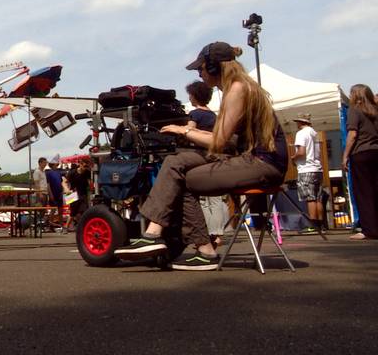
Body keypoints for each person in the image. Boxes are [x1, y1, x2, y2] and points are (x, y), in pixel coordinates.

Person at [115, 41, 288, 270]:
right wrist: (191, 132)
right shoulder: (239, 87)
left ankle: (192, 247)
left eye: (201, 68)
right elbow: (228, 139)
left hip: (262, 163)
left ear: (215, 67)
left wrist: (184, 130)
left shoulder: (237, 89)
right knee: (176, 161)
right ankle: (157, 234)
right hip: (251, 158)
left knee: (183, 178)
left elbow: (219, 141)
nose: (200, 73)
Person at [186, 80, 228, 246]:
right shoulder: (214, 115)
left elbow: (188, 132)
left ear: (194, 96)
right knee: (216, 199)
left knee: (203, 199)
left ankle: (209, 234)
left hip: (202, 157)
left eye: (190, 94)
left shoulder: (195, 114)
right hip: (217, 157)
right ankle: (218, 234)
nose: (189, 97)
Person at [342, 84, 378, 240]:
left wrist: (345, 156)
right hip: (376, 152)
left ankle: (369, 229)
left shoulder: (354, 110)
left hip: (361, 153)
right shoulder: (375, 112)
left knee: (363, 192)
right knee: (376, 190)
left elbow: (352, 135)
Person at [292, 113, 324, 234]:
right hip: (317, 168)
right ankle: (321, 225)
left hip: (306, 168)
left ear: (300, 122)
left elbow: (301, 152)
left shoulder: (301, 133)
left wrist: (293, 158)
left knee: (310, 198)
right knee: (318, 198)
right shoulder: (314, 133)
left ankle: (313, 225)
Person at [64, 159, 92, 233]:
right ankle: (66, 227)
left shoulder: (87, 172)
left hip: (83, 193)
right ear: (80, 164)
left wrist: (91, 186)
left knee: (84, 210)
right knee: (73, 212)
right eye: (85, 166)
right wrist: (66, 189)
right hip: (72, 193)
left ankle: (82, 227)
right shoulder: (72, 172)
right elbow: (64, 182)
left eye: (87, 166)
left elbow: (90, 183)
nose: (86, 168)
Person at [44, 154, 65, 231]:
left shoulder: (59, 173)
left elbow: (61, 182)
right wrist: (50, 194)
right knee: (52, 210)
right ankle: (50, 225)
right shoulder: (48, 173)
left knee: (60, 210)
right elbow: (48, 184)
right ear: (53, 164)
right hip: (53, 192)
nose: (57, 165)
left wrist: (62, 191)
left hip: (59, 193)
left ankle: (62, 226)